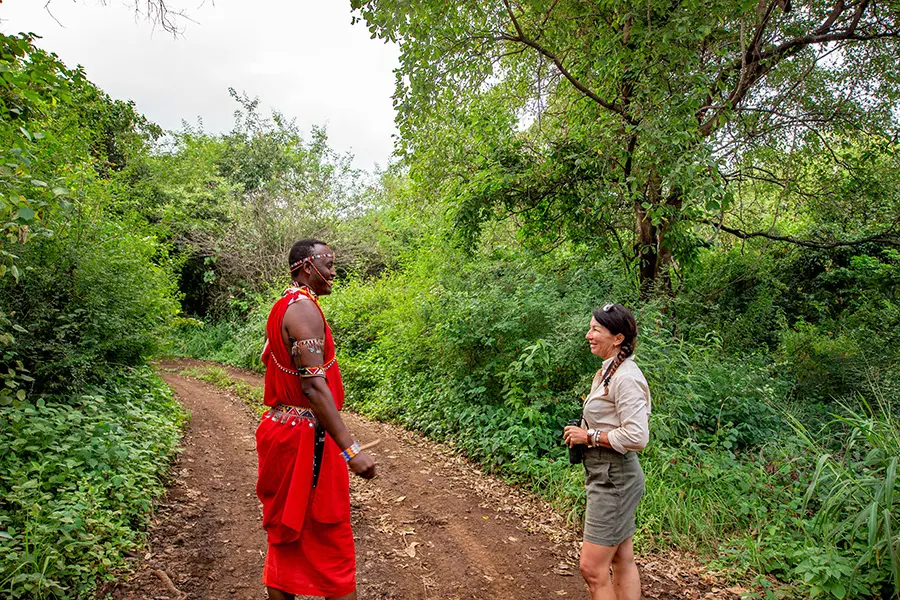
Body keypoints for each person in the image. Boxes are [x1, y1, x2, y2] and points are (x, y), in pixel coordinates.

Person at [256, 239, 376, 600]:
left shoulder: (283, 306)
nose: (333, 272)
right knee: (330, 535)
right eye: (329, 264)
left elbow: (268, 354)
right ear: (307, 266)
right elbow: (313, 387)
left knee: (286, 532)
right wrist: (351, 449)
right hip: (307, 440)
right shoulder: (304, 310)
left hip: (282, 430)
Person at [563, 303, 650, 600]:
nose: (588, 335)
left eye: (596, 330)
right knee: (621, 558)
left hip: (615, 479)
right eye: (590, 328)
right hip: (606, 472)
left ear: (618, 338)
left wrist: (589, 435)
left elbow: (637, 436)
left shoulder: (626, 378)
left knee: (591, 568)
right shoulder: (606, 372)